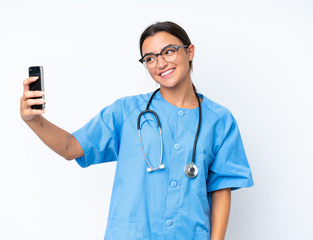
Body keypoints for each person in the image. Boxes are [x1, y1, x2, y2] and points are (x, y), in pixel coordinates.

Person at [20, 21, 254, 240]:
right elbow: (71, 147)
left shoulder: (220, 121)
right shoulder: (126, 111)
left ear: (189, 52)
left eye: (169, 51)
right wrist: (33, 120)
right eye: (150, 58)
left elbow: (221, 188)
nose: (160, 63)